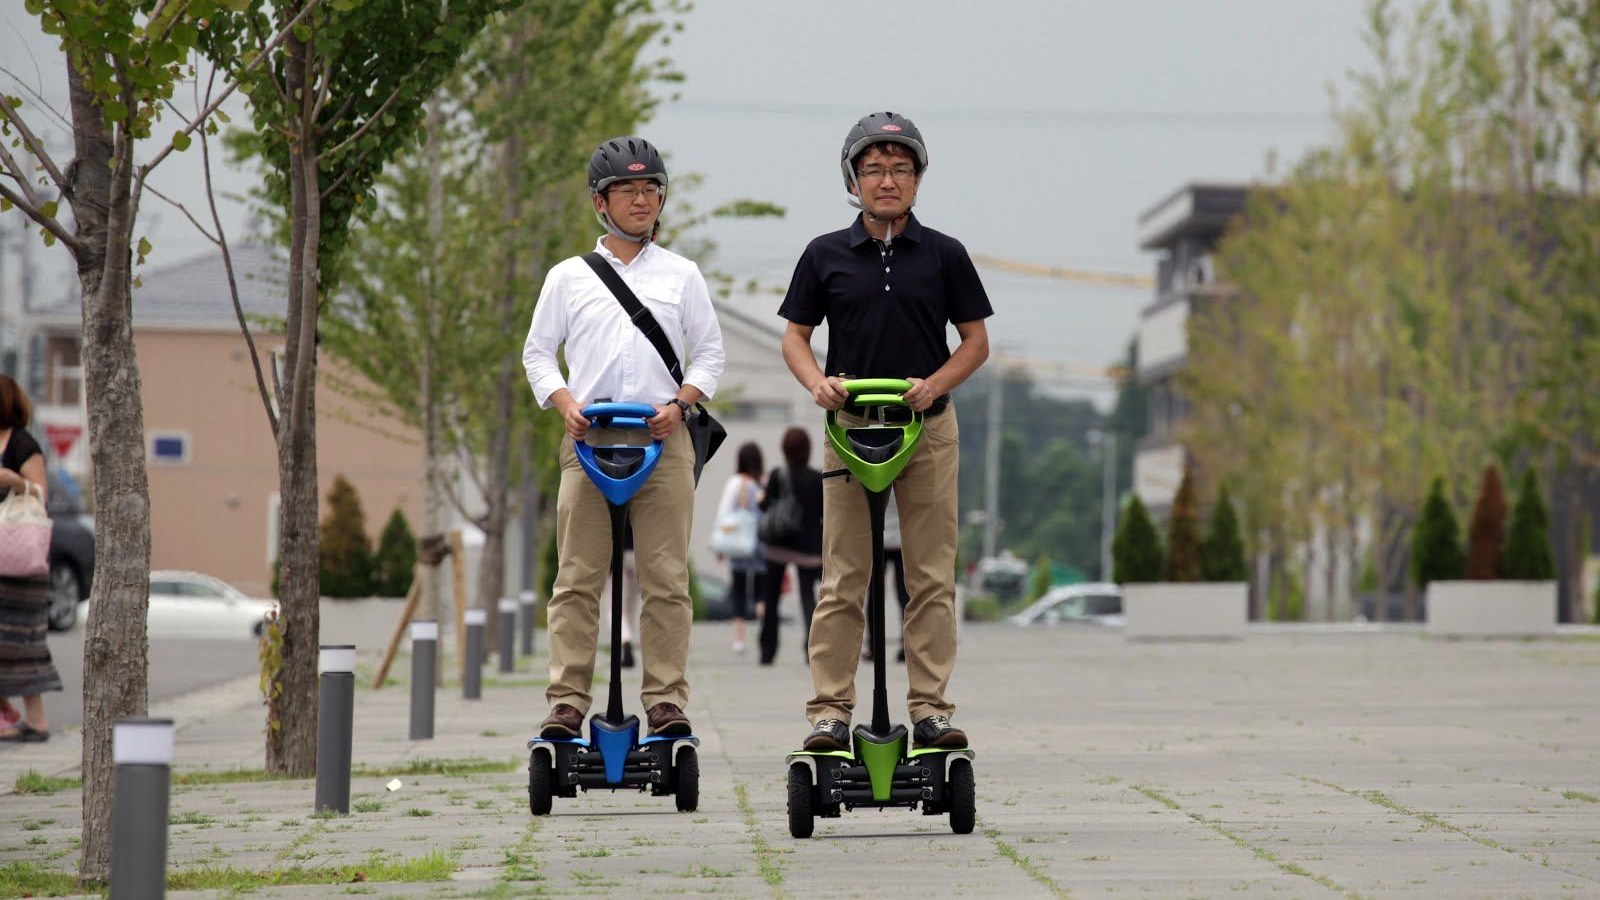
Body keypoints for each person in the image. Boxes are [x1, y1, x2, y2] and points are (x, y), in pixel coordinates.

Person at [778, 111, 992, 753]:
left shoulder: (946, 254)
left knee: (930, 575)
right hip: (851, 425)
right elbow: (794, 336)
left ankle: (930, 709)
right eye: (874, 169)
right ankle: (829, 712)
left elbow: (975, 341)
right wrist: (817, 383)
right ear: (853, 179)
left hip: (925, 428)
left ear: (919, 179)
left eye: (901, 168)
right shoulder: (824, 254)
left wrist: (936, 383)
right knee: (844, 574)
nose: (888, 180)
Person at [522, 136, 725, 739]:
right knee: (577, 577)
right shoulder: (568, 277)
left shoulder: (682, 275)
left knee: (666, 578)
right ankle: (566, 702)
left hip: (663, 436)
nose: (642, 200)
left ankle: (665, 698)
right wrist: (565, 404)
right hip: (589, 438)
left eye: (651, 189)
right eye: (627, 190)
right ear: (599, 203)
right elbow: (537, 353)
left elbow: (709, 354)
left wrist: (681, 404)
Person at [0, 373, 60, 742]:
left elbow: (41, 494)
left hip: (19, 561)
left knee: (22, 640)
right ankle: (7, 714)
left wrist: (13, 480)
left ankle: (35, 719)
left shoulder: (23, 445)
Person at [758, 426, 824, 666]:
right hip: (808, 548)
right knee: (809, 598)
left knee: (772, 597)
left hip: (779, 545)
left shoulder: (778, 475)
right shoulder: (818, 478)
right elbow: (824, 514)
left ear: (784, 449)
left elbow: (765, 507)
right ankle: (812, 649)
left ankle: (768, 651)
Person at [715, 442, 766, 654]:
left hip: (739, 542)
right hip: (761, 542)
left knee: (738, 589)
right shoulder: (763, 482)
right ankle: (765, 633)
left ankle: (739, 640)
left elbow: (724, 513)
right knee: (761, 592)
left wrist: (720, 546)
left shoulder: (735, 483)